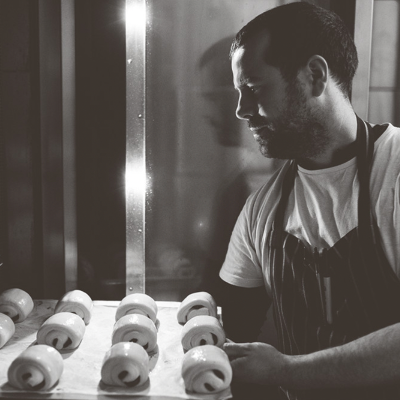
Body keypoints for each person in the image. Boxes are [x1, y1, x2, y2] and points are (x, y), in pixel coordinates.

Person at [217, 2, 400, 399]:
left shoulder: (396, 173)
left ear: (314, 76)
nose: (241, 110)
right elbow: (231, 331)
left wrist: (287, 371)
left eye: (254, 88)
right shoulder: (261, 212)